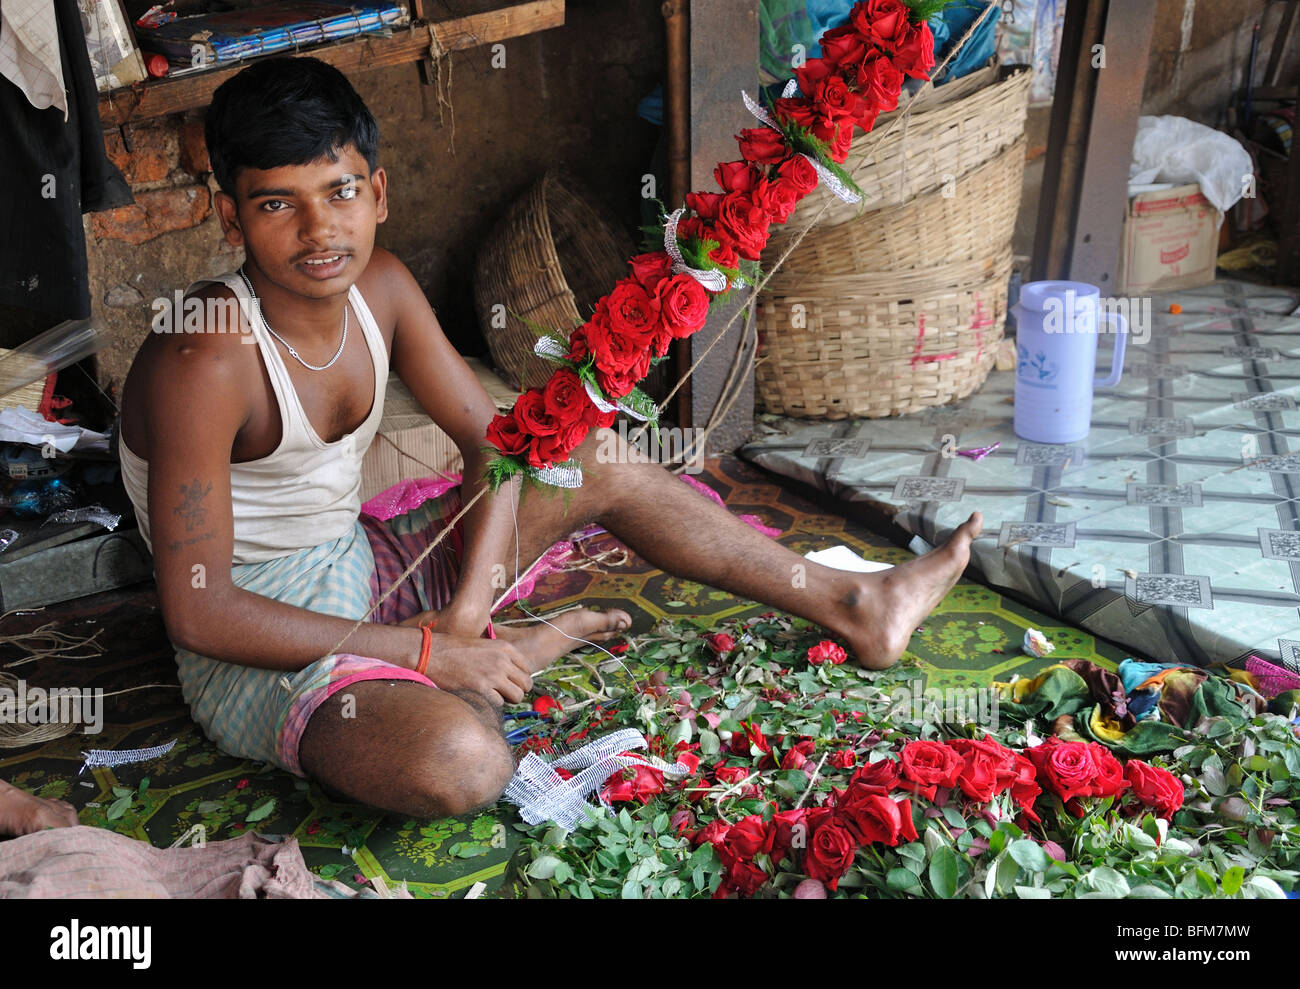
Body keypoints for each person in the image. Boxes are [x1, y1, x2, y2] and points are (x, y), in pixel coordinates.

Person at [117, 56, 981, 821]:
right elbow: (202, 611)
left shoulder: (380, 284)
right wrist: (427, 650)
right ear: (231, 219)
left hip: (369, 567)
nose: (319, 232)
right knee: (461, 763)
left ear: (377, 192)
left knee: (589, 452)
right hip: (262, 646)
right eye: (278, 205)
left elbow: (500, 445)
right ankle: (475, 666)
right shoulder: (203, 355)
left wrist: (461, 613)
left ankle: (854, 604)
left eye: (340, 193)